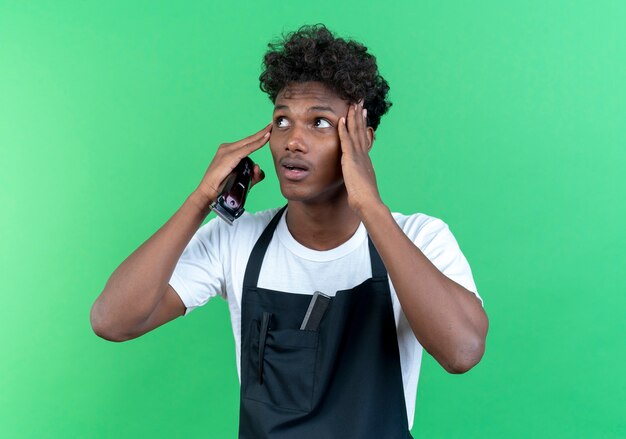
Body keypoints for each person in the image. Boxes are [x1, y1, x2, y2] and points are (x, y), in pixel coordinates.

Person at [91, 24, 488, 438]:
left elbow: (462, 351)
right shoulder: (236, 241)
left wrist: (370, 206)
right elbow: (111, 321)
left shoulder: (420, 238)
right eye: (282, 121)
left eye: (319, 122)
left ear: (362, 140)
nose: (292, 141)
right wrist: (199, 201)